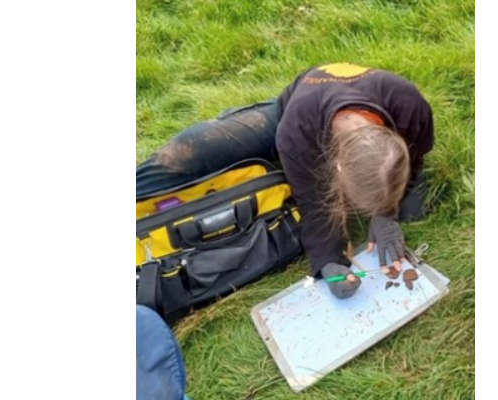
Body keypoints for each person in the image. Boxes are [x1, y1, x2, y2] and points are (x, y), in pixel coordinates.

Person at [136, 63, 434, 299]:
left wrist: (386, 215)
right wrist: (328, 260)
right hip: (291, 110)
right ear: (336, 168)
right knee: (189, 152)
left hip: (335, 103)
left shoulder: (411, 107)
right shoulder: (297, 133)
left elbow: (415, 158)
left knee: (413, 209)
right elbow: (314, 201)